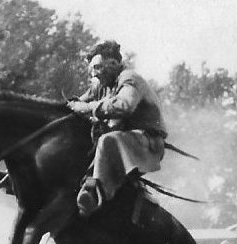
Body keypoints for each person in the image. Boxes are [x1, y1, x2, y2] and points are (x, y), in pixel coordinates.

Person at [67, 40, 167, 217]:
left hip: (147, 142)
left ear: (114, 63)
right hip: (124, 140)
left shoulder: (130, 79)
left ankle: (93, 192)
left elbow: (124, 106)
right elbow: (77, 104)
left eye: (98, 67)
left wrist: (88, 108)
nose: (94, 73)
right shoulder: (101, 84)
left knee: (107, 140)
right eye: (92, 69)